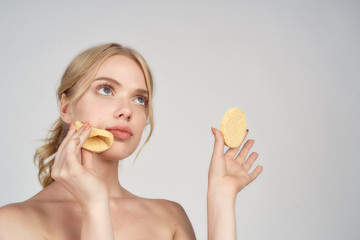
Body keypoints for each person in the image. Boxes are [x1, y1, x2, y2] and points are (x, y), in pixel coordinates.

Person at [0, 43, 263, 239]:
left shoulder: (169, 218)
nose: (127, 110)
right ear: (66, 107)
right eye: (106, 89)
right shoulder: (11, 223)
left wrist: (221, 198)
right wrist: (94, 206)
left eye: (140, 99)